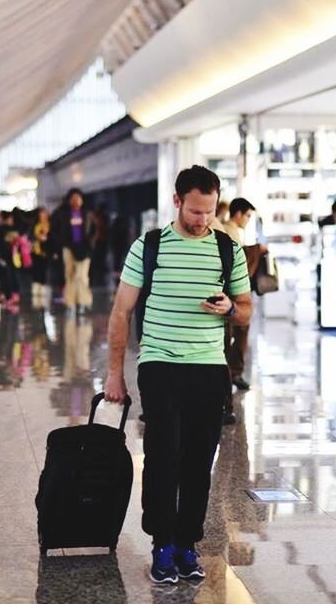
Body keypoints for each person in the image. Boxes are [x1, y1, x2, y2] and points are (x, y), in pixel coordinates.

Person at [103, 165, 252, 585]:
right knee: (164, 456)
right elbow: (121, 311)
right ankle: (162, 543)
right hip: (160, 363)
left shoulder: (227, 250)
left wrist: (229, 309)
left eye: (208, 212)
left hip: (209, 368)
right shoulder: (148, 246)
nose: (202, 220)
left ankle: (188, 543)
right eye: (194, 211)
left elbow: (245, 311)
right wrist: (114, 374)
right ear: (177, 202)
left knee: (200, 460)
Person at [222, 198, 266, 401]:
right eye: (247, 215)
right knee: (236, 331)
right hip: (231, 295)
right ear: (238, 213)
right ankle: (232, 374)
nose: (248, 220)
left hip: (235, 295)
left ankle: (233, 373)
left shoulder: (233, 232)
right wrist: (256, 250)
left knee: (238, 330)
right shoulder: (228, 231)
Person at [51, 188, 93, 314]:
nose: (76, 201)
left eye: (78, 198)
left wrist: (90, 243)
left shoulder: (87, 214)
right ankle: (70, 304)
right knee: (69, 275)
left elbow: (93, 231)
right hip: (68, 248)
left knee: (82, 276)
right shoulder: (63, 214)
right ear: (69, 200)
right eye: (73, 198)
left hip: (84, 249)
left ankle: (84, 302)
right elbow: (55, 230)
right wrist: (61, 243)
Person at [30, 207, 53, 310]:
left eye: (45, 213)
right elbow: (30, 236)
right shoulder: (34, 225)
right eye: (41, 213)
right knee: (36, 270)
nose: (43, 215)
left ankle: (43, 289)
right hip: (35, 251)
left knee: (44, 270)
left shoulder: (50, 225)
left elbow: (53, 238)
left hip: (46, 252)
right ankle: (36, 288)